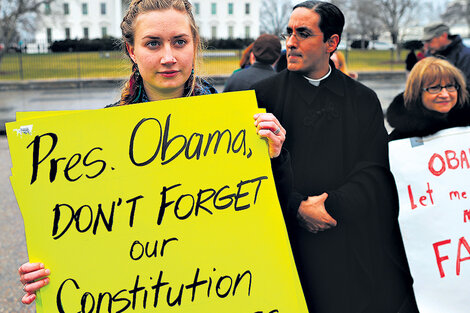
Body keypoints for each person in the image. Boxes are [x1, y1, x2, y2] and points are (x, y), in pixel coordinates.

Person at [17, 0, 287, 305]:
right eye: (153, 43)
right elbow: (88, 233)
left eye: (180, 42)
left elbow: (272, 224)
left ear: (194, 45)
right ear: (132, 51)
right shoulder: (99, 141)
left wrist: (276, 159)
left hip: (220, 291)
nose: (168, 57)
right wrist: (50, 270)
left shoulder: (238, 131)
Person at [252, 1, 419, 312]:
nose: (290, 42)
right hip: (287, 246)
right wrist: (297, 206)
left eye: (303, 33)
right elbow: (250, 175)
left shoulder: (363, 99)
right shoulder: (262, 97)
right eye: (288, 32)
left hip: (346, 245)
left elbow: (374, 172)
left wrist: (327, 206)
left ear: (332, 42)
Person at [387, 57, 470, 141]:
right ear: (417, 93)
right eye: (434, 88)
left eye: (450, 86)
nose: (445, 94)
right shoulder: (399, 142)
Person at [422, 22, 470, 90]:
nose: (426, 46)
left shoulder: (466, 56)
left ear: (444, 36)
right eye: (425, 42)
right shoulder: (430, 55)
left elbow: (466, 89)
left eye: (429, 41)